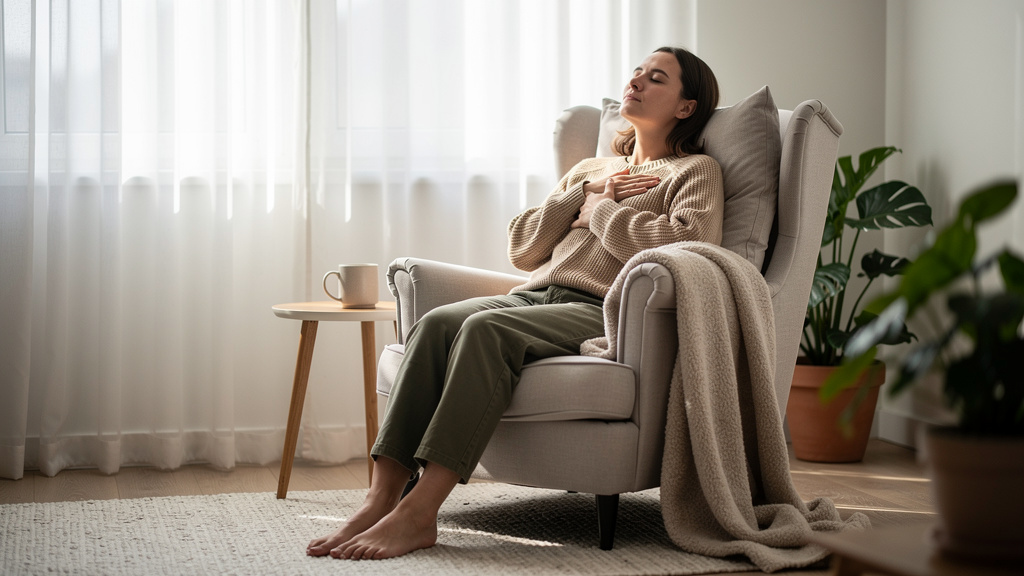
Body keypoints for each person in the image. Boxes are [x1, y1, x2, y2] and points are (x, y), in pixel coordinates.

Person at [306, 46, 724, 561]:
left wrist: (600, 215)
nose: (636, 81)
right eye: (636, 72)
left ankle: (421, 514)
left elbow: (690, 245)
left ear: (686, 107)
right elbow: (524, 248)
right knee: (437, 324)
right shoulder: (591, 169)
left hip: (602, 308)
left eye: (656, 78)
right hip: (535, 295)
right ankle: (380, 497)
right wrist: (584, 193)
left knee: (484, 333)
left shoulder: (694, 170)